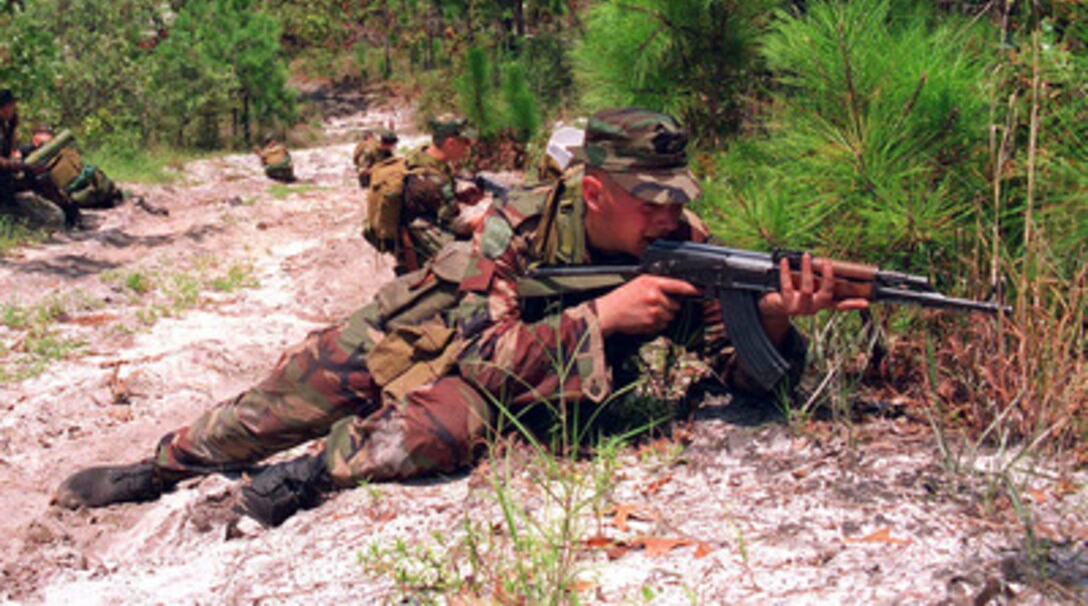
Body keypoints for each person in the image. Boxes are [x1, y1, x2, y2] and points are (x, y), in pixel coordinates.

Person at [55, 107, 868, 528]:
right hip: (416, 326)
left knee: (430, 430)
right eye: (651, 197)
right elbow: (482, 350)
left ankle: (308, 476)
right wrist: (608, 318)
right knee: (273, 407)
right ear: (594, 192)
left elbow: (741, 368)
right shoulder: (515, 226)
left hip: (521, 382)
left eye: (676, 196)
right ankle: (163, 466)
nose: (671, 213)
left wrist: (778, 317)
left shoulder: (681, 246)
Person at [364, 113, 483, 274]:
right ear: (451, 143)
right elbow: (456, 226)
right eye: (466, 142)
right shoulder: (432, 181)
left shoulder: (420, 156)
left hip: (416, 236)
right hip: (422, 255)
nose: (468, 147)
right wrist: (486, 218)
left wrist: (460, 197)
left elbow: (429, 200)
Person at [0, 90, 82, 229]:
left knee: (39, 169)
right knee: (39, 177)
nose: (14, 108)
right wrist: (24, 166)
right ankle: (69, 214)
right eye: (12, 106)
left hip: (6, 173)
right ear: (4, 107)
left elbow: (9, 151)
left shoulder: (6, 124)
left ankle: (70, 211)